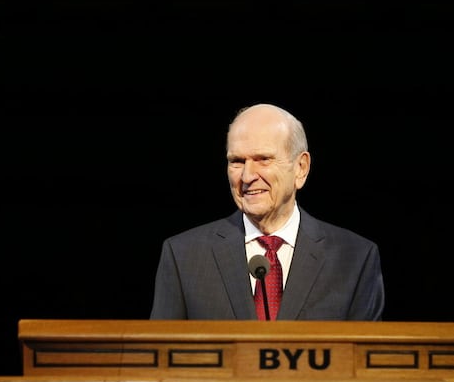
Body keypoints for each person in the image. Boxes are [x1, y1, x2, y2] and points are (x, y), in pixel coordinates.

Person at [150, 103, 384, 321]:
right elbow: (161, 349)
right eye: (237, 161)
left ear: (300, 168)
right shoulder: (184, 256)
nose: (247, 176)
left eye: (263, 159)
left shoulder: (355, 258)